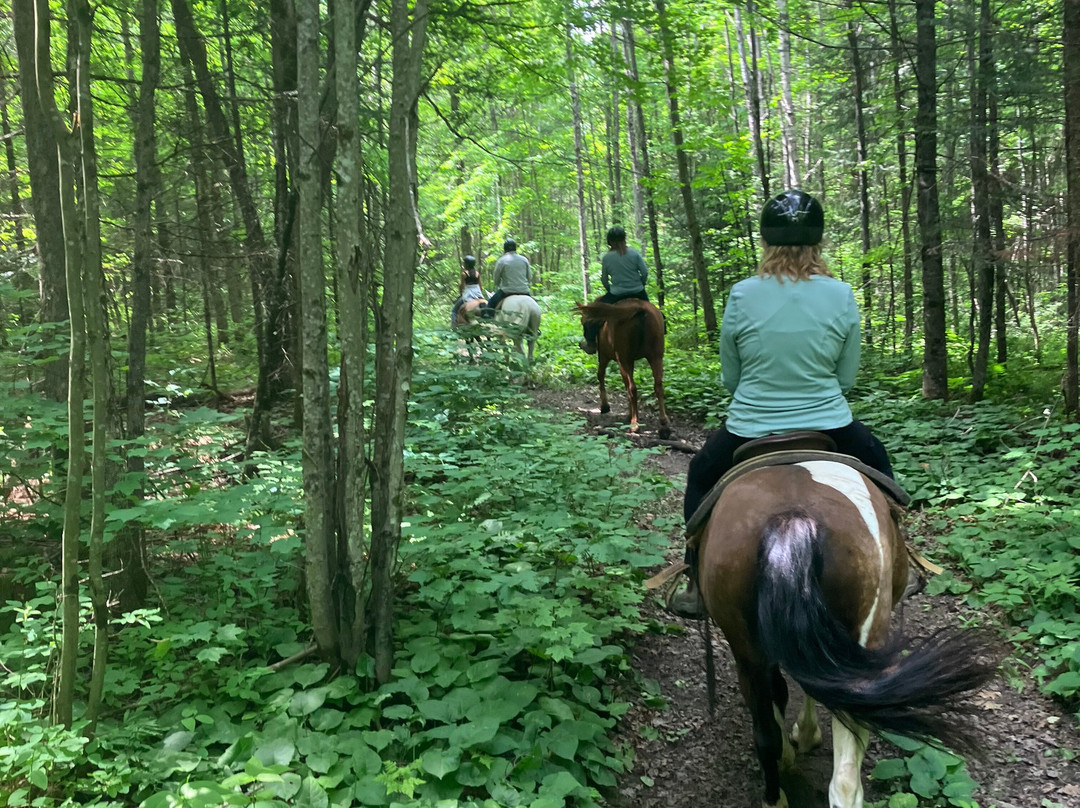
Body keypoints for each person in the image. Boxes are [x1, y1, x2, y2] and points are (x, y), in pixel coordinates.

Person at [669, 189, 895, 617]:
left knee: (700, 475)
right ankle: (904, 562)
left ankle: (696, 582)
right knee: (882, 473)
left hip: (750, 424)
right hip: (829, 423)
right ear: (819, 242)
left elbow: (731, 378)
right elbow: (845, 378)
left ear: (765, 241)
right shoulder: (841, 293)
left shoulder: (741, 294)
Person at [579, 226, 649, 354]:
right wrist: (641, 285)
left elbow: (604, 279)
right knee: (656, 314)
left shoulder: (607, 258)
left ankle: (591, 344)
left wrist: (609, 289)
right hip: (638, 292)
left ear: (609, 241)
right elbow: (644, 272)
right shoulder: (634, 253)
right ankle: (662, 332)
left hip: (617, 294)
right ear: (624, 239)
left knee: (590, 318)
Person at [478, 238, 531, 317]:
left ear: (504, 249)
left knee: (490, 305)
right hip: (524, 291)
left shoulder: (501, 261)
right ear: (515, 248)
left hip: (507, 291)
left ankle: (488, 320)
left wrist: (501, 285)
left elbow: (496, 280)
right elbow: (529, 277)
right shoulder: (524, 260)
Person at [450, 255, 487, 327]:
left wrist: (460, 290)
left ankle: (453, 327)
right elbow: (480, 286)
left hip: (468, 293)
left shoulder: (464, 274)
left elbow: (462, 286)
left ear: (466, 264)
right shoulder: (477, 273)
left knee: (454, 311)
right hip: (478, 293)